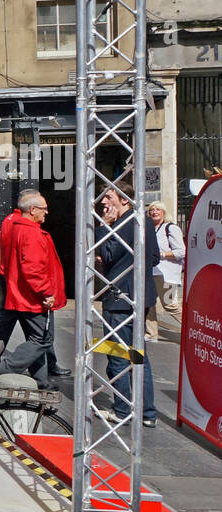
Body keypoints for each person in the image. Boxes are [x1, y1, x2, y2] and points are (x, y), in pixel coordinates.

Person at [0, 190, 67, 387]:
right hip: (32, 297)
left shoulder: (14, 225)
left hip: (20, 292)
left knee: (34, 337)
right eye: (44, 209)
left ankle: (41, 380)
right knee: (42, 340)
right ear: (32, 209)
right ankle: (6, 367)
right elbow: (33, 269)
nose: (47, 212)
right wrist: (46, 292)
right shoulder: (30, 232)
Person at [96, 180, 159, 427]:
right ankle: (147, 413)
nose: (104, 202)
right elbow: (152, 257)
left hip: (120, 298)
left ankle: (122, 410)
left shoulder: (122, 222)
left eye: (109, 197)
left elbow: (109, 254)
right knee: (138, 356)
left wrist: (104, 226)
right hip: (139, 296)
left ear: (124, 199)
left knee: (119, 357)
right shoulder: (143, 220)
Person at [147, 200, 184, 341]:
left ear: (164, 212)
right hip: (151, 272)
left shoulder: (171, 228)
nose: (154, 212)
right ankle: (151, 334)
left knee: (169, 305)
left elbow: (181, 251)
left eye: (158, 209)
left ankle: (192, 329)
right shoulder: (150, 229)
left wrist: (160, 254)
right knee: (148, 303)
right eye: (152, 209)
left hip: (166, 274)